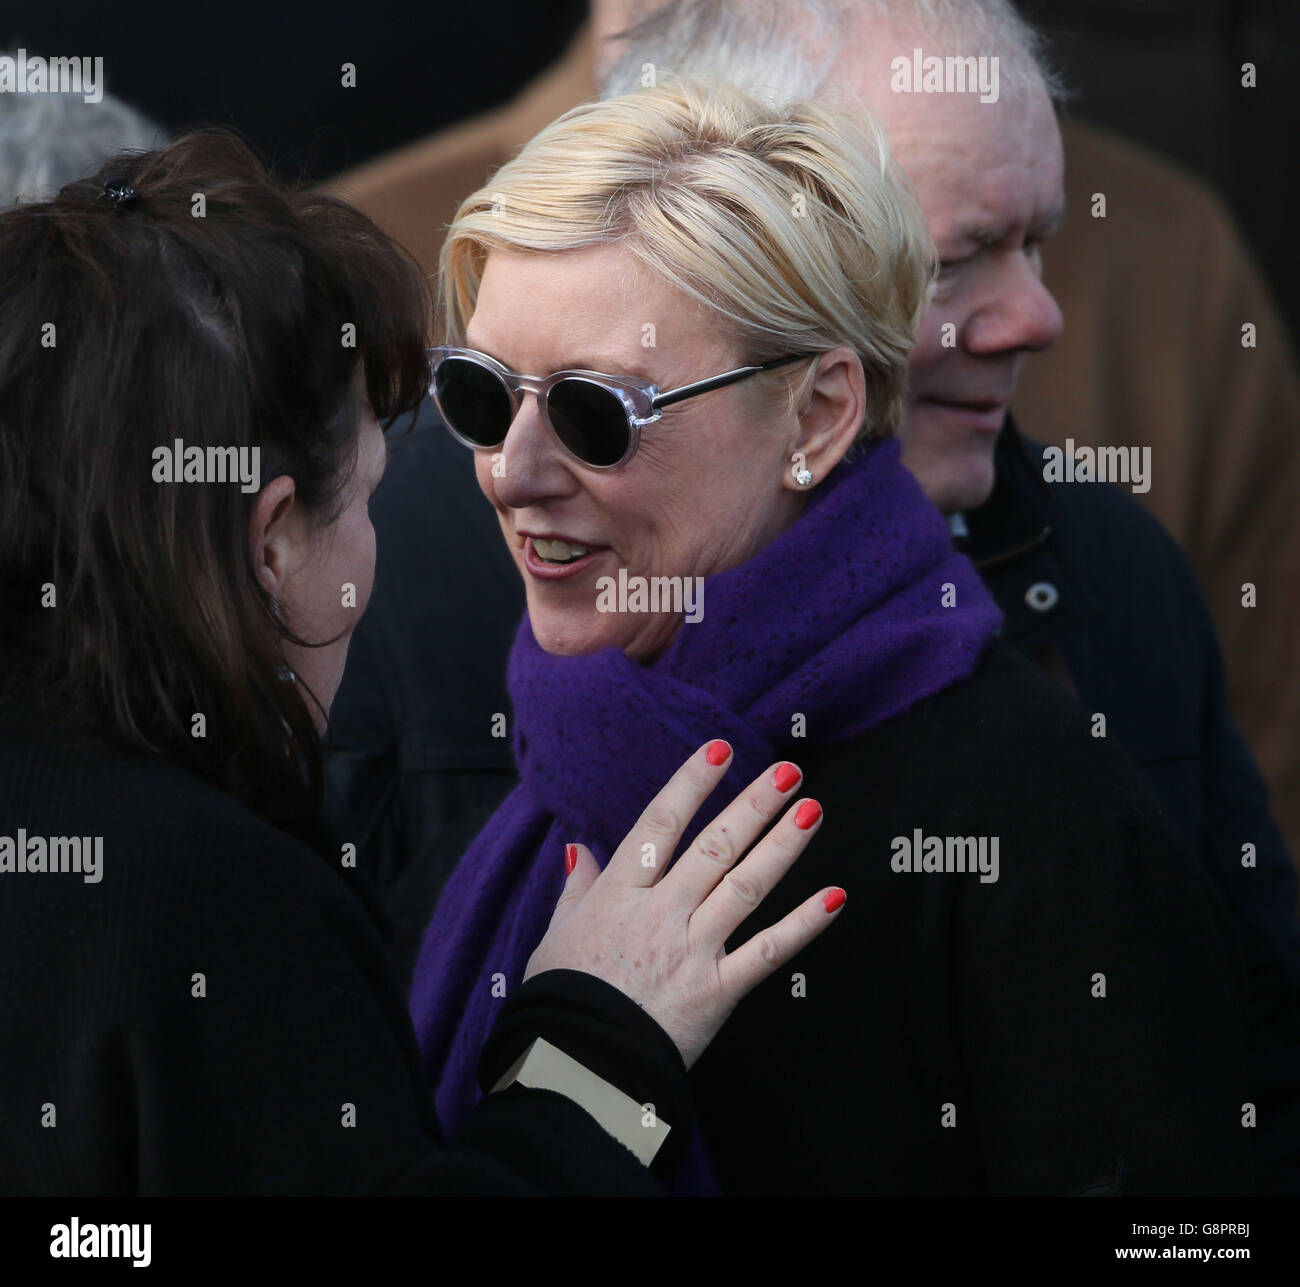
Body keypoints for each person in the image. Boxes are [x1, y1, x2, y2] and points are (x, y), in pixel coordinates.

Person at [405, 76, 1250, 1195]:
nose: (512, 473)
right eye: (477, 395)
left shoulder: (1028, 803)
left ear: (817, 415)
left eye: (596, 413)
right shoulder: (523, 734)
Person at [0, 130, 845, 1195]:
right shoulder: (214, 910)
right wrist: (595, 1048)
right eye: (362, 495)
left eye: (597, 411)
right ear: (270, 543)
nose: (508, 478)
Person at [326, 1, 1300, 859]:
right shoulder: (380, 584)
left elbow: (1252, 1015)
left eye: (1038, 242)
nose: (1037, 319)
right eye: (949, 263)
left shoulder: (1109, 564)